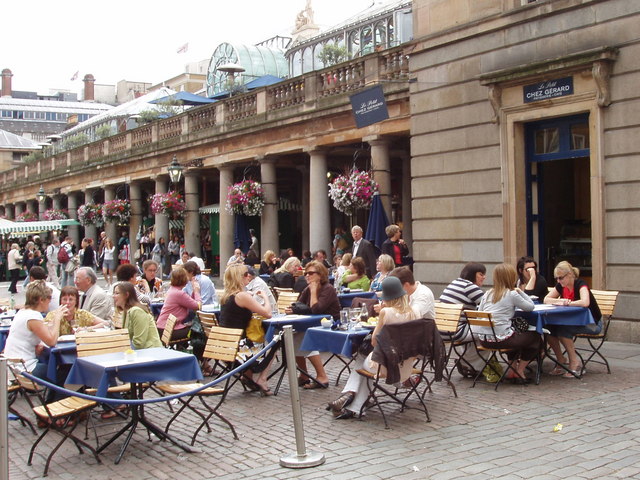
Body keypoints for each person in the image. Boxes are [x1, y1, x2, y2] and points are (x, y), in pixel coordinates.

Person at [327, 276, 420, 419]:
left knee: (362, 358)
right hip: (405, 365)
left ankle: (350, 395)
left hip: (386, 367)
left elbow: (375, 342)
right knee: (365, 358)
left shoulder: (386, 313)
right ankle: (353, 406)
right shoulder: (415, 312)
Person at [472, 263, 541, 382]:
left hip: (484, 340)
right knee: (535, 337)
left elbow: (481, 312)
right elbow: (530, 307)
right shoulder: (512, 294)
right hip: (502, 340)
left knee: (513, 335)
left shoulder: (488, 294)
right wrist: (521, 292)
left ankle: (512, 371)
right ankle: (519, 371)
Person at [4, 281, 67, 403]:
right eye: (49, 298)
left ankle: (49, 411)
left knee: (57, 370)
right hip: (26, 369)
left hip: (15, 367)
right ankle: (53, 411)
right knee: (64, 373)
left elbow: (41, 335)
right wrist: (57, 318)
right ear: (40, 300)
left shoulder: (23, 312)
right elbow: (52, 341)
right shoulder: (33, 316)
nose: (50, 301)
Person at [219, 263, 274, 396]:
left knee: (257, 339)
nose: (248, 276)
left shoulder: (226, 295)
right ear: (239, 278)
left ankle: (248, 377)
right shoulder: (241, 296)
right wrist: (265, 297)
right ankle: (262, 379)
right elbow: (268, 313)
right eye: (245, 274)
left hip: (225, 346)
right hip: (240, 349)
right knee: (276, 342)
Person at [544, 261, 602, 378]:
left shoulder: (580, 284)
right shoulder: (561, 286)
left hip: (591, 323)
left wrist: (569, 303)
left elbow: (585, 302)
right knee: (548, 328)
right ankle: (561, 360)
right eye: (557, 279)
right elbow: (546, 299)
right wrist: (560, 301)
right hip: (571, 321)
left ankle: (574, 362)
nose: (559, 281)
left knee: (563, 330)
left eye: (561, 278)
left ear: (570, 274)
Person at [287, 261, 338, 389]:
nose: (307, 276)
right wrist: (294, 309)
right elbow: (297, 304)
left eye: (311, 273)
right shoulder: (307, 289)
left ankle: (322, 376)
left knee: (304, 335)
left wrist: (314, 291)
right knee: (295, 334)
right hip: (314, 325)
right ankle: (304, 374)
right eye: (305, 274)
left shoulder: (328, 289)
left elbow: (316, 309)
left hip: (332, 327)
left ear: (320, 275)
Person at [156, 266, 201, 343]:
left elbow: (190, 302)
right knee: (199, 331)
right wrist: (196, 291)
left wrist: (194, 290)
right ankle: (197, 354)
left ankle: (182, 348)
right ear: (184, 278)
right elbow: (197, 306)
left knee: (192, 327)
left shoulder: (173, 290)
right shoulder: (179, 294)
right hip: (169, 330)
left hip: (163, 328)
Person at [113, 281, 162, 349]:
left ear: (126, 295)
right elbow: (126, 337)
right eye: (114, 293)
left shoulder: (136, 311)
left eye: (117, 293)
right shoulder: (126, 311)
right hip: (139, 352)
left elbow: (139, 343)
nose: (113, 296)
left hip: (151, 352)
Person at [45, 286, 109, 335]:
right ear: (60, 301)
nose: (67, 302)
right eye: (64, 299)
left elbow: (106, 323)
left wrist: (85, 329)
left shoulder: (82, 314)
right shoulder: (52, 315)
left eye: (71, 299)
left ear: (76, 301)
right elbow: (46, 332)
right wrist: (57, 319)